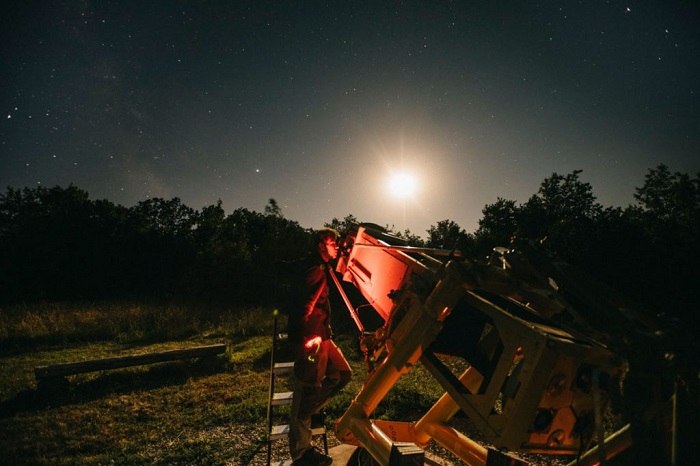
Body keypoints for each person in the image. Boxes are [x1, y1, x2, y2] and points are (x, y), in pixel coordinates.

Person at [288, 228, 352, 465]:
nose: (336, 245)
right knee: (307, 389)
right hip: (313, 339)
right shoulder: (314, 270)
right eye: (331, 241)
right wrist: (305, 338)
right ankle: (302, 453)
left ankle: (309, 412)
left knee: (342, 374)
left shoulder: (322, 268)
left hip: (322, 336)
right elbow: (304, 305)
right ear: (319, 246)